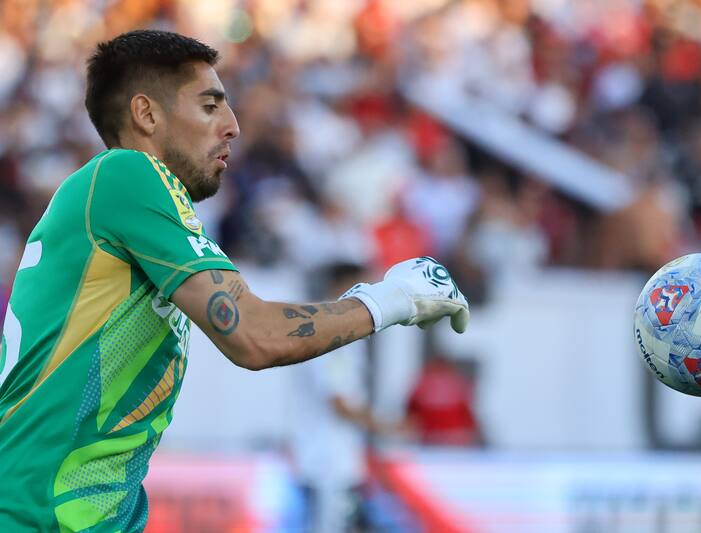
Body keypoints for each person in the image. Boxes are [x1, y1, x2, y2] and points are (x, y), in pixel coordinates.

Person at [0, 30, 469, 532]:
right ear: (147, 114)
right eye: (209, 106)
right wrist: (394, 297)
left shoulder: (120, 199)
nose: (233, 126)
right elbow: (251, 334)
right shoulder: (129, 174)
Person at [290, 262, 404, 533]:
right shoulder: (329, 337)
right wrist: (386, 426)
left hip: (340, 460)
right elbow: (339, 403)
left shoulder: (346, 337)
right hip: (325, 462)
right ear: (343, 288)